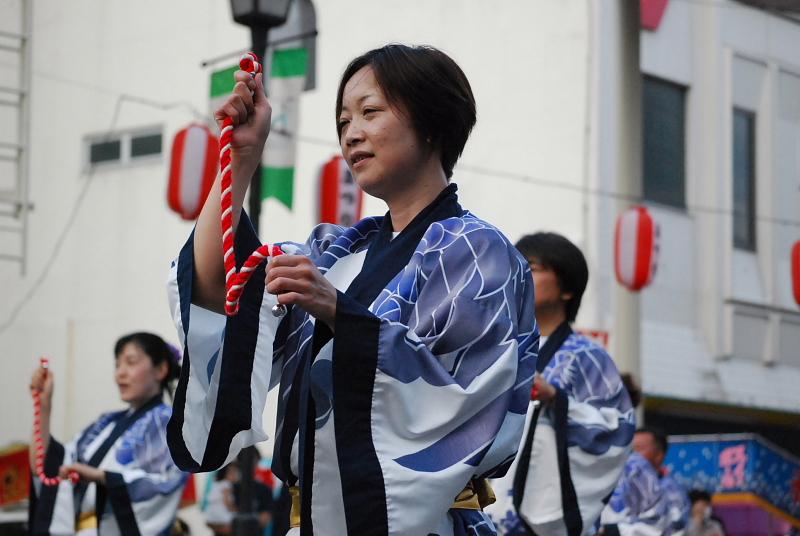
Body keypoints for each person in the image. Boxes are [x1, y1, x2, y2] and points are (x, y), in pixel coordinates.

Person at [165, 44, 538, 535]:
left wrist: (342, 315)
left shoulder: (477, 250)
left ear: (431, 123)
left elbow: (462, 402)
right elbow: (218, 287)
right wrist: (242, 156)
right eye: (343, 121)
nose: (351, 133)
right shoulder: (334, 252)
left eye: (370, 112)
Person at [486, 232, 635, 535]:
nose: (521, 275)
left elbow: (616, 430)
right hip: (485, 509)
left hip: (540, 520)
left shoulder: (587, 357)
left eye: (533, 267)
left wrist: (557, 399)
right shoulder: (496, 348)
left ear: (567, 289)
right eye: (517, 266)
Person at [28, 332, 188, 535]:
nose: (120, 373)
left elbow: (166, 484)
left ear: (161, 369)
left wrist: (103, 477)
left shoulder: (172, 424)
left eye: (131, 362)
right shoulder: (105, 423)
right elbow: (48, 466)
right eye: (117, 365)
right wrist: (44, 406)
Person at [633, 427, 690, 533]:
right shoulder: (623, 486)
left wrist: (614, 530)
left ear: (659, 455)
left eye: (639, 448)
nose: (632, 454)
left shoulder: (670, 491)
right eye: (630, 449)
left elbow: (672, 526)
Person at [204, 462, 239, 535]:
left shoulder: (216, 483)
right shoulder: (226, 484)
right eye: (232, 473)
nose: (235, 475)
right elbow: (226, 501)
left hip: (213, 514)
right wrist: (235, 509)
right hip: (222, 515)